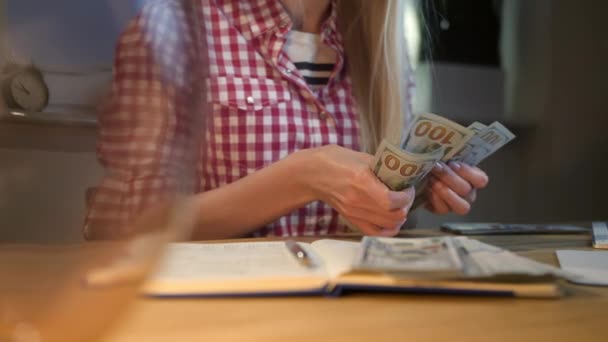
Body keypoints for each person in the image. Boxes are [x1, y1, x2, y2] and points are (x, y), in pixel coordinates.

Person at [84, 0, 488, 240]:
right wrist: (301, 178)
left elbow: (377, 223)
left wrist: (413, 194)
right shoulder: (170, 26)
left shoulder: (384, 47)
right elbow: (122, 227)